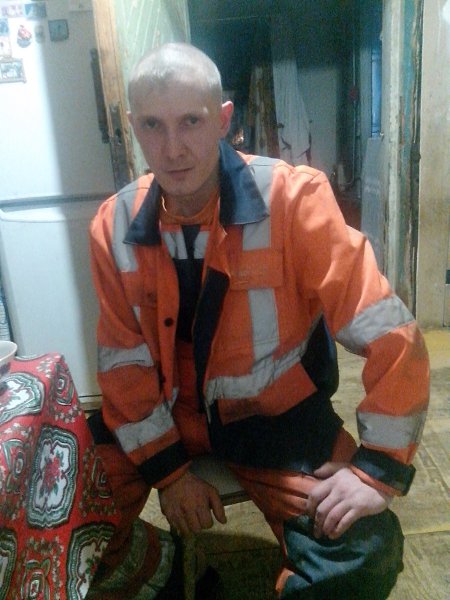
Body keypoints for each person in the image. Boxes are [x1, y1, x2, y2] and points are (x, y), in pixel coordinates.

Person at [87, 42, 429, 599]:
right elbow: (122, 365)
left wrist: (378, 470)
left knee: (364, 547)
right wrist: (168, 473)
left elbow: (389, 331)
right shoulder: (113, 224)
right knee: (59, 497)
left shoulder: (294, 198)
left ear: (223, 120)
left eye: (191, 121)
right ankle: (160, 569)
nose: (172, 148)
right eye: (152, 125)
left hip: (274, 421)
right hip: (161, 419)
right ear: (132, 126)